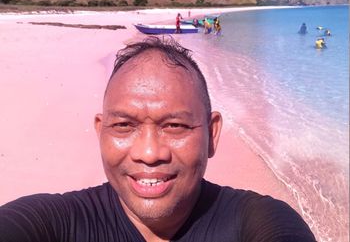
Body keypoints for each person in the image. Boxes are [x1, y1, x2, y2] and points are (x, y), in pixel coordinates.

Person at [0, 36, 316, 242]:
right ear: (101, 132)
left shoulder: (255, 222)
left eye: (175, 126)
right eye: (124, 125)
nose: (150, 153)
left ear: (211, 133)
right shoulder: (55, 224)